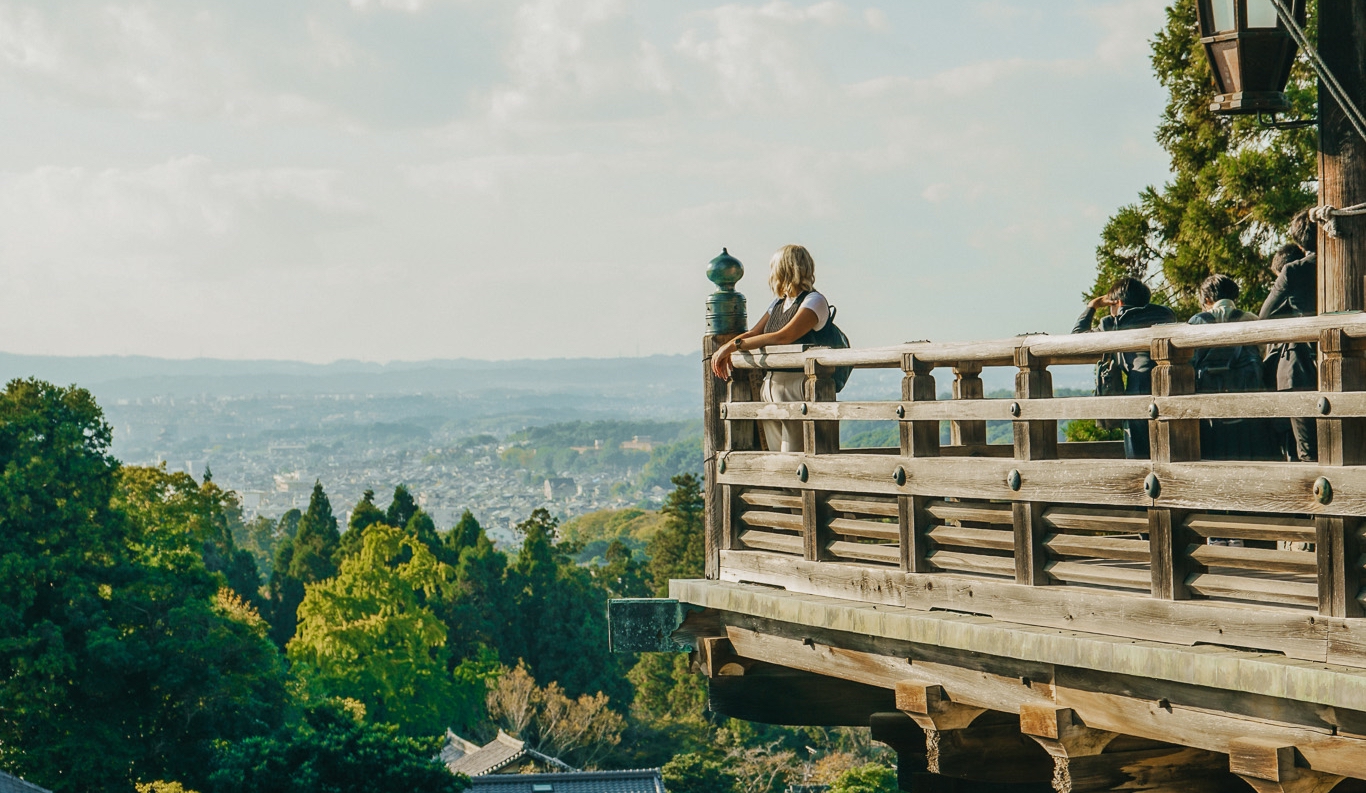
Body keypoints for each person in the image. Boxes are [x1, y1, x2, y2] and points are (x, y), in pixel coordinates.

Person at [711, 244, 831, 453]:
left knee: (793, 456)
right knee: (777, 456)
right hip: (771, 384)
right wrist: (728, 347)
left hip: (796, 385)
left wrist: (734, 345)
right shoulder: (778, 303)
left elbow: (784, 336)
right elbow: (756, 333)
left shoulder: (814, 301)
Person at [1072, 276, 1177, 458]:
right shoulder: (1166, 315)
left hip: (1138, 391)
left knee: (1139, 458)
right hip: (1174, 386)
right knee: (1172, 453)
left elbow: (1076, 339)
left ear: (1117, 302)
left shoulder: (1111, 324)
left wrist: (1093, 306)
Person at [1260, 209, 1318, 462]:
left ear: (1299, 241)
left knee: (1308, 451)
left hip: (1300, 365)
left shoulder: (1294, 271)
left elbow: (1264, 317)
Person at [1187, 274, 1266, 461]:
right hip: (1248, 405)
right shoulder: (1251, 319)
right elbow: (1263, 354)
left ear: (1207, 300)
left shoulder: (1195, 322)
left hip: (1208, 409)